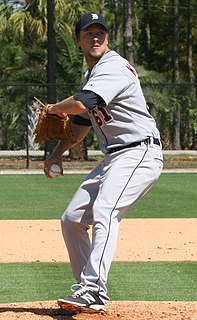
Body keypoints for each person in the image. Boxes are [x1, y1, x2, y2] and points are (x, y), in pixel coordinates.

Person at [44, 12, 163, 313]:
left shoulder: (113, 66)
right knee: (72, 219)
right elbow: (83, 123)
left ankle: (94, 290)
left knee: (105, 210)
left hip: (139, 152)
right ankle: (85, 291)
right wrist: (57, 153)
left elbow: (81, 104)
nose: (95, 37)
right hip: (116, 157)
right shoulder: (92, 76)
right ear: (78, 40)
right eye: (89, 33)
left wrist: (55, 108)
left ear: (107, 38)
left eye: (100, 32)